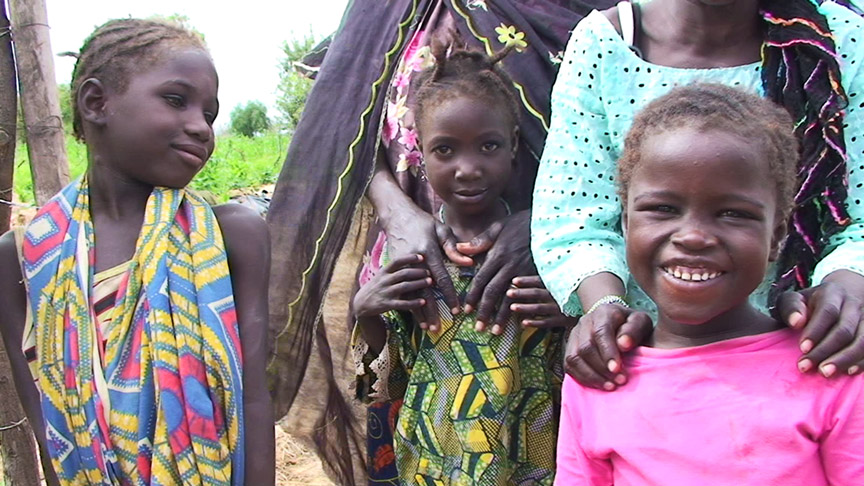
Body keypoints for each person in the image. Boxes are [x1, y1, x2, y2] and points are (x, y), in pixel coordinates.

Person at [532, 0, 864, 390]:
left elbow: (855, 218)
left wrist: (841, 302)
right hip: (647, 367)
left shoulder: (838, 39)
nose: (693, 236)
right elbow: (574, 218)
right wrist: (606, 309)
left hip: (806, 364)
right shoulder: (608, 43)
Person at [0, 19, 274, 485]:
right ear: (96, 102)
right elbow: (48, 420)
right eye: (176, 100)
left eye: (209, 113)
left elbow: (253, 397)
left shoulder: (231, 234)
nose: (201, 128)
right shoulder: (24, 257)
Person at [555, 83, 864, 485]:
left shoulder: (828, 365)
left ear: (777, 235)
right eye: (663, 209)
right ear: (626, 224)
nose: (694, 237)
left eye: (732, 214)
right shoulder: (599, 374)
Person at [352, 45, 574, 486]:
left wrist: (571, 317)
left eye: (488, 146)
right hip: (433, 468)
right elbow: (375, 386)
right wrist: (366, 311)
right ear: (421, 154)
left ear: (513, 145)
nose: (468, 168)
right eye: (446, 150)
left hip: (529, 467)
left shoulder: (544, 255)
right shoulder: (411, 261)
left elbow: (572, 373)